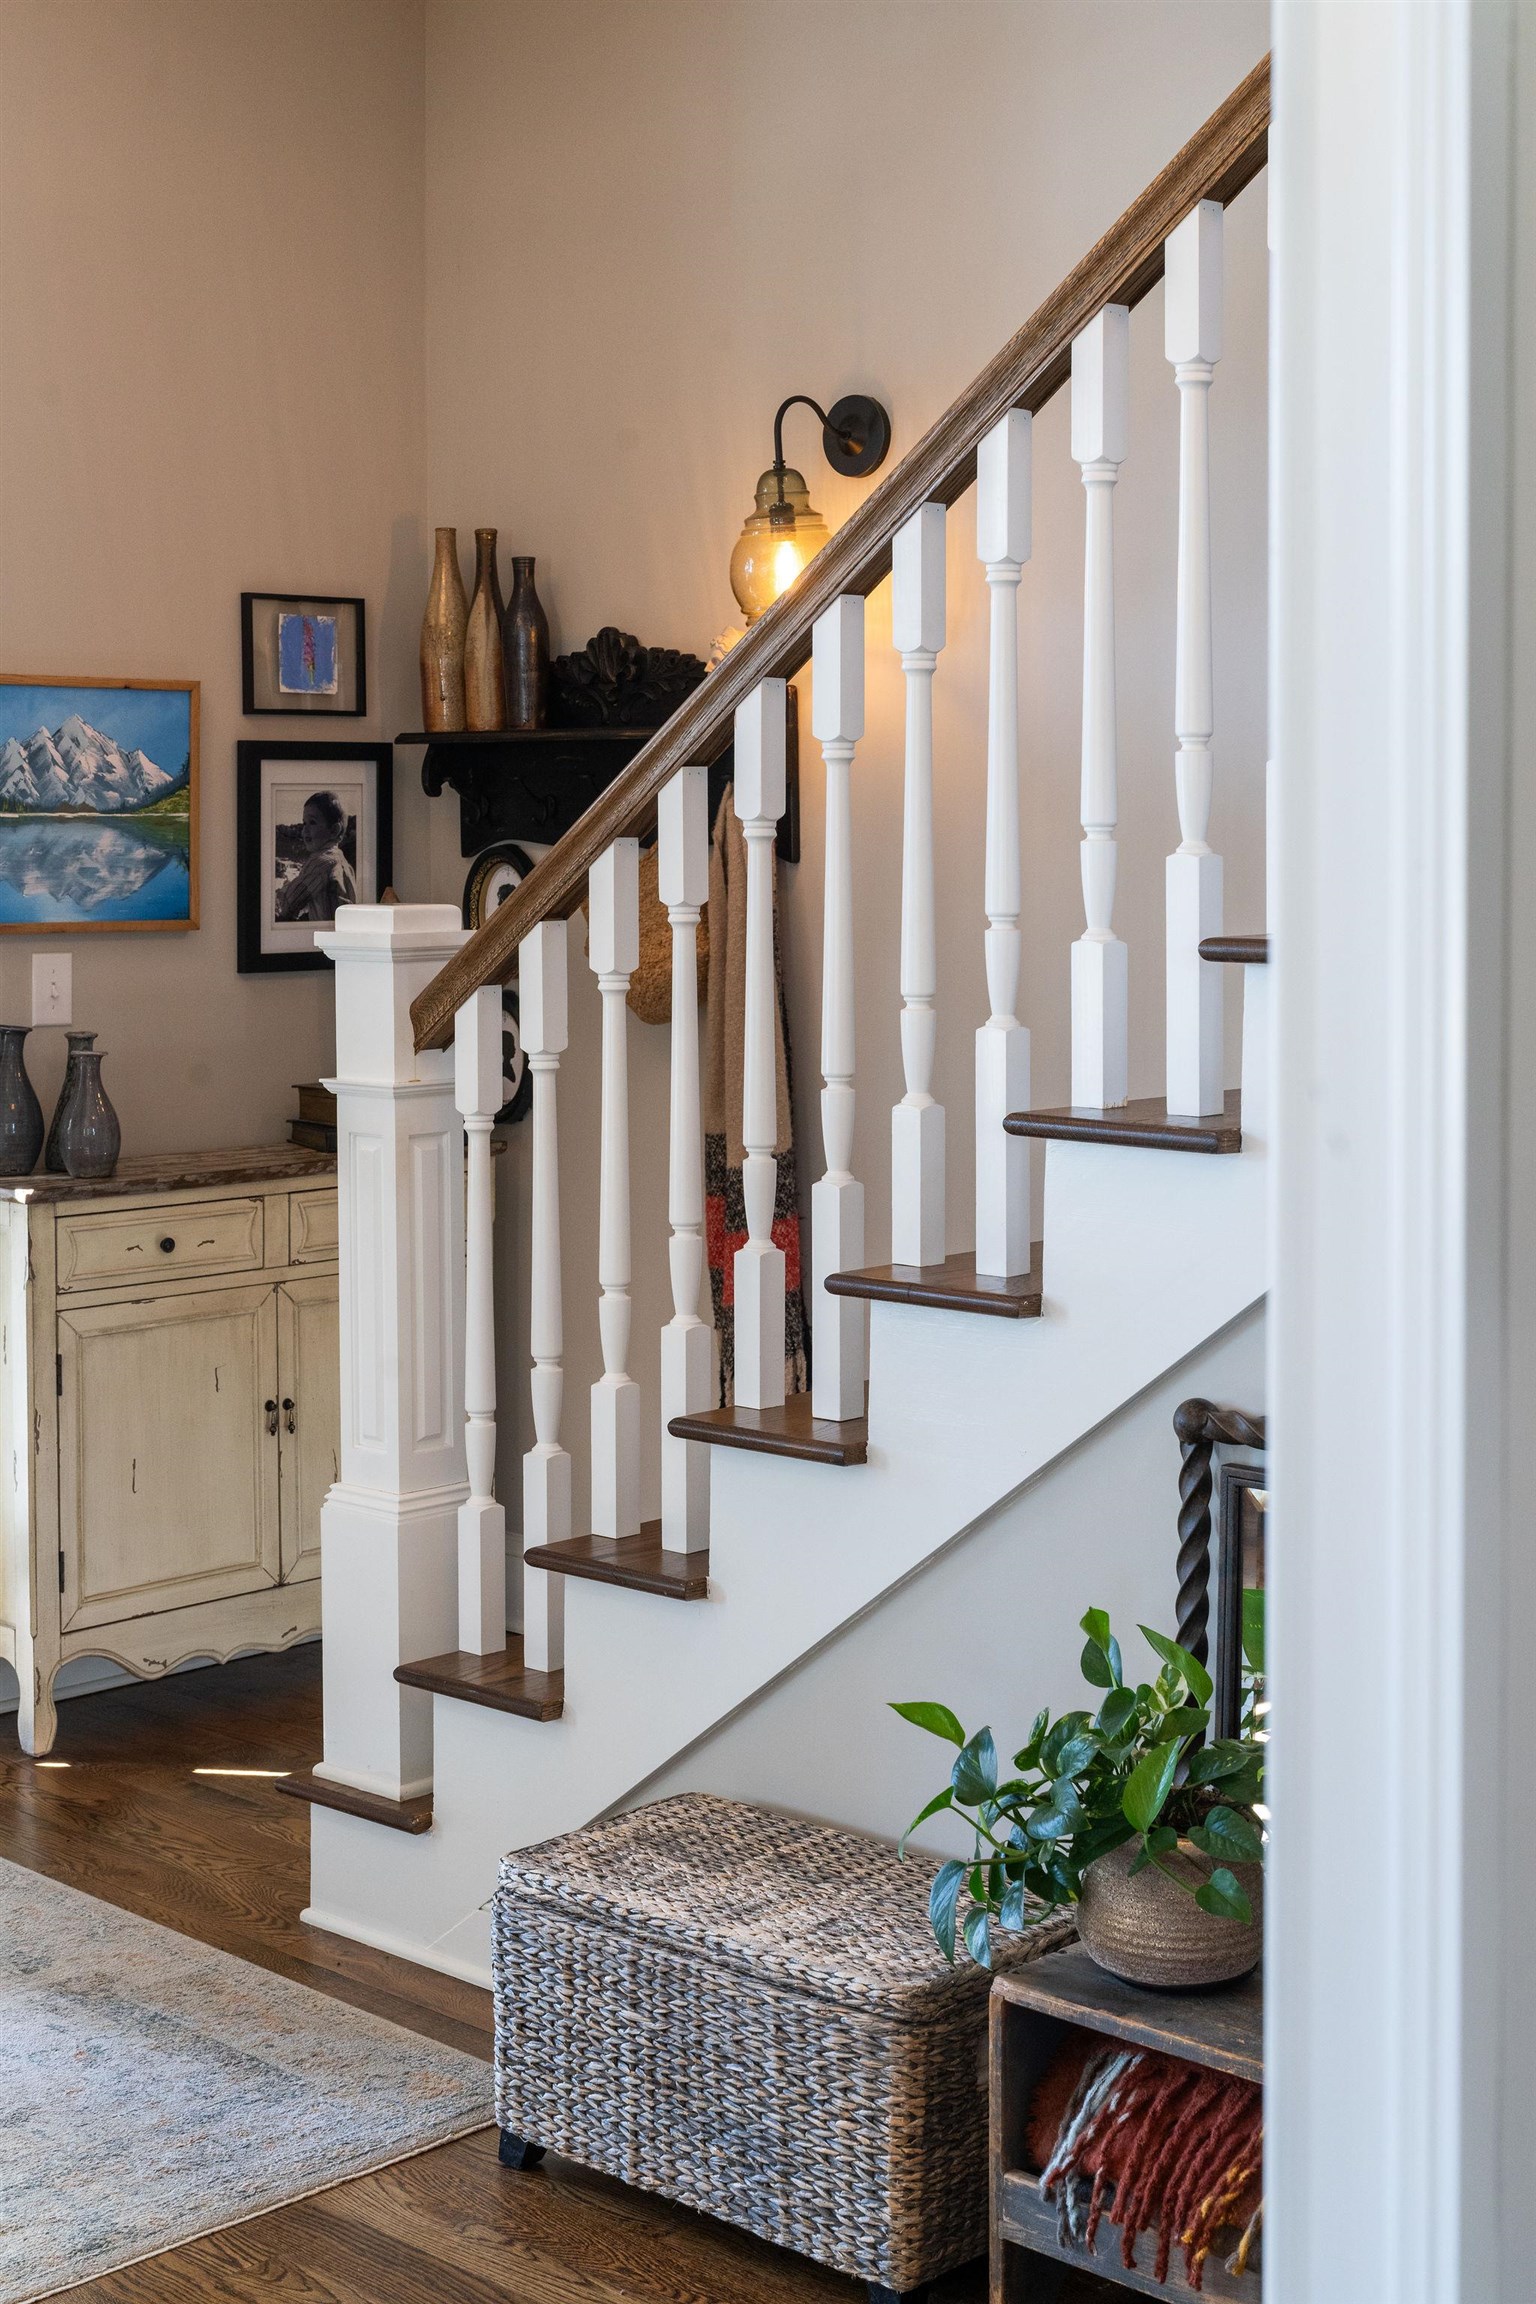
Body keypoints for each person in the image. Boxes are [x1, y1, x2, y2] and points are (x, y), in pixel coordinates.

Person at [274, 790, 356, 922]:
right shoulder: (343, 862)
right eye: (304, 823)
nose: (304, 830)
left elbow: (287, 904)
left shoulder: (321, 863)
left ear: (334, 830)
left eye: (312, 822)